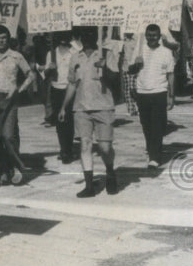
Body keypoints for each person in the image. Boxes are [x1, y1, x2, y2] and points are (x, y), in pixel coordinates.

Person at [59, 26, 119, 197]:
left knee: (104, 147)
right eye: (84, 35)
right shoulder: (75, 58)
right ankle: (89, 186)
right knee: (85, 145)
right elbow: (72, 84)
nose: (87, 38)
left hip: (104, 107)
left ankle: (110, 172)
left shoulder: (106, 54)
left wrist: (105, 67)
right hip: (81, 108)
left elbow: (115, 80)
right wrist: (64, 107)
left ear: (96, 36)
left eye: (91, 34)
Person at [0, 24, 37, 188]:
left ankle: (15, 167)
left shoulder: (16, 56)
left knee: (8, 136)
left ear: (8, 39)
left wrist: (19, 90)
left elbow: (31, 74)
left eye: (4, 37)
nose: (1, 41)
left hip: (10, 100)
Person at [129, 23, 175, 168]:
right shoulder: (139, 49)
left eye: (154, 35)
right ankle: (152, 150)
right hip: (142, 92)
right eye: (149, 35)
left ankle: (155, 156)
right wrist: (136, 65)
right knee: (146, 125)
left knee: (157, 126)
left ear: (159, 36)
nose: (152, 38)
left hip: (160, 92)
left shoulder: (166, 52)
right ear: (146, 35)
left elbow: (171, 74)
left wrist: (171, 95)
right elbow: (130, 71)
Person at [45, 30, 77, 164]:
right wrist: (49, 69)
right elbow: (45, 74)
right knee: (59, 120)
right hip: (56, 89)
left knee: (68, 118)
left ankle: (68, 149)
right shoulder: (51, 54)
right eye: (61, 36)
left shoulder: (74, 52)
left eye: (66, 36)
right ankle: (63, 148)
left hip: (70, 89)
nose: (63, 39)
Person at [120, 31, 140, 115]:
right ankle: (131, 109)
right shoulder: (122, 41)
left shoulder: (137, 40)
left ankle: (140, 107)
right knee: (127, 89)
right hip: (126, 67)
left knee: (134, 87)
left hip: (135, 67)